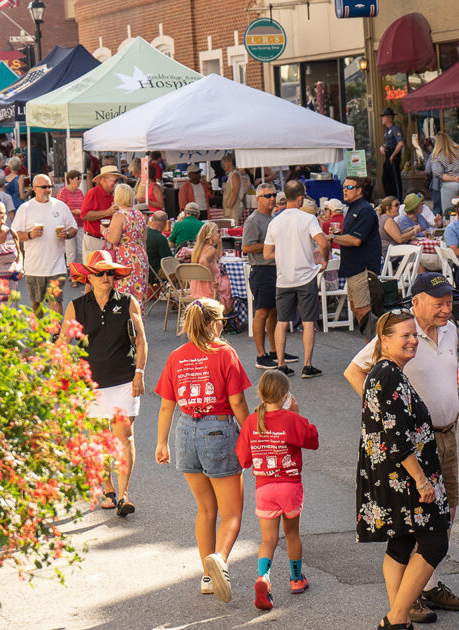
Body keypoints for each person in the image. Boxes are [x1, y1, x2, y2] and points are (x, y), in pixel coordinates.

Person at [344, 275, 459, 622]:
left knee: (439, 519)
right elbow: (355, 373)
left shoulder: (449, 331)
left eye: (449, 301)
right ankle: (402, 610)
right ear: (416, 302)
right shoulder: (395, 337)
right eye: (438, 302)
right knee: (427, 532)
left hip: (442, 438)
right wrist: (386, 417)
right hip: (410, 457)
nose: (446, 308)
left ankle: (423, 590)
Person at [154, 298, 252, 603]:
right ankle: (220, 560)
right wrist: (249, 433)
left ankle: (208, 577)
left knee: (205, 509)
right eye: (221, 319)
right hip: (219, 430)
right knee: (232, 512)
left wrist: (161, 442)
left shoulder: (176, 356)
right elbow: (237, 403)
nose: (223, 323)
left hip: (185, 431)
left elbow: (167, 405)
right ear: (214, 324)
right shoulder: (225, 353)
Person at [62, 250, 147, 517]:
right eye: (100, 273)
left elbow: (141, 341)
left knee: (123, 436)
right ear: (89, 276)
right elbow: (63, 344)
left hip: (124, 379)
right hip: (91, 383)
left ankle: (123, 495)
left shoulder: (128, 301)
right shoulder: (77, 306)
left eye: (110, 272)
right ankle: (108, 488)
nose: (106, 277)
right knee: (99, 440)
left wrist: (140, 373)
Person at [235, 371, 320, 610]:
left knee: (268, 539)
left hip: (264, 488)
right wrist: (297, 414)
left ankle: (264, 577)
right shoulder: (291, 419)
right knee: (292, 534)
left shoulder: (252, 421)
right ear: (285, 396)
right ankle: (295, 579)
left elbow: (243, 459)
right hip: (290, 486)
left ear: (260, 394)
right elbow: (312, 440)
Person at [265, 180, 330, 378]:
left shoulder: (275, 221)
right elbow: (323, 243)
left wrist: (284, 251)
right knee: (308, 321)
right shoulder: (308, 219)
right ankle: (307, 365)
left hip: (284, 278)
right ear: (301, 197)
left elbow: (267, 254)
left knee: (282, 322)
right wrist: (324, 260)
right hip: (306, 276)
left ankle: (281, 364)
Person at [11, 174, 78, 315]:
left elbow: (74, 227)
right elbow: (15, 234)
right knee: (36, 303)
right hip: (34, 267)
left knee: (55, 301)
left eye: (49, 186)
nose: (47, 189)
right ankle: (39, 334)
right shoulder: (26, 208)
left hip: (56, 266)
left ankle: (55, 334)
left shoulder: (60, 206)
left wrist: (66, 234)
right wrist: (30, 235)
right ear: (34, 188)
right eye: (44, 187)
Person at [243, 183, 288, 369]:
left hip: (275, 268)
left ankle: (274, 351)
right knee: (261, 312)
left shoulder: (274, 218)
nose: (272, 198)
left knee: (273, 311)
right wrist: (269, 244)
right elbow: (246, 247)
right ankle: (261, 355)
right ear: (258, 199)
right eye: (267, 195)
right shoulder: (253, 220)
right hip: (261, 269)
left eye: (273, 195)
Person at [331, 175, 383, 330]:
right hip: (353, 268)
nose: (345, 190)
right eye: (344, 187)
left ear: (359, 190)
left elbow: (355, 240)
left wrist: (332, 237)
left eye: (350, 187)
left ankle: (375, 347)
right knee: (355, 308)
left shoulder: (365, 210)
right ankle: (370, 347)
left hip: (363, 268)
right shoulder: (353, 207)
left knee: (364, 311)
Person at [102, 183, 150, 302]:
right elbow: (144, 238)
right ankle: (138, 320)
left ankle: (126, 320)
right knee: (138, 295)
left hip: (125, 257)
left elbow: (113, 239)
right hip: (140, 256)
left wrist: (104, 231)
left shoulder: (119, 215)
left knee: (124, 294)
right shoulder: (139, 214)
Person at [188, 221, 233, 313]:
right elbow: (203, 261)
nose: (219, 233)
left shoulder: (199, 248)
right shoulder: (210, 249)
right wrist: (212, 278)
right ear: (211, 236)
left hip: (197, 288)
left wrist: (220, 243)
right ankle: (228, 314)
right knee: (232, 282)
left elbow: (218, 257)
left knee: (227, 280)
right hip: (210, 287)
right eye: (217, 232)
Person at [79, 165, 123, 257]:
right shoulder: (93, 193)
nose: (116, 184)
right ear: (104, 179)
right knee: (93, 270)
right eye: (115, 180)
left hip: (109, 240)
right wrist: (108, 212)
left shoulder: (113, 194)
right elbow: (84, 215)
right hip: (94, 240)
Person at [56, 170, 86, 267]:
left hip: (80, 224)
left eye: (80, 179)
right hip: (68, 225)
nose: (79, 181)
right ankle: (72, 273)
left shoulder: (80, 192)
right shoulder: (62, 192)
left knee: (81, 250)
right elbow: (59, 210)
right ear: (70, 179)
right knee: (71, 251)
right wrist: (74, 211)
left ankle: (79, 272)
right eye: (77, 179)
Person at [380, 107, 404, 198]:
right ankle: (389, 198)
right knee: (386, 179)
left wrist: (393, 156)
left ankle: (398, 199)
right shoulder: (387, 131)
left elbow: (400, 143)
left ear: (389, 118)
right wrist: (383, 147)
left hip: (393, 156)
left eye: (384, 116)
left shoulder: (395, 129)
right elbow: (388, 143)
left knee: (395, 180)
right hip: (388, 155)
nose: (382, 119)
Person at [145, 211, 173, 277]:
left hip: (144, 270)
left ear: (152, 220)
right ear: (165, 223)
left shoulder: (144, 232)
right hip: (155, 272)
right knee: (180, 274)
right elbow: (169, 260)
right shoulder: (160, 238)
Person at [221, 154, 248, 223]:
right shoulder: (231, 174)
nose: (223, 165)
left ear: (230, 161)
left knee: (233, 226)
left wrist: (229, 208)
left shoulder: (235, 175)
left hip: (235, 206)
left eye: (224, 162)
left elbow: (235, 193)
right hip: (232, 206)